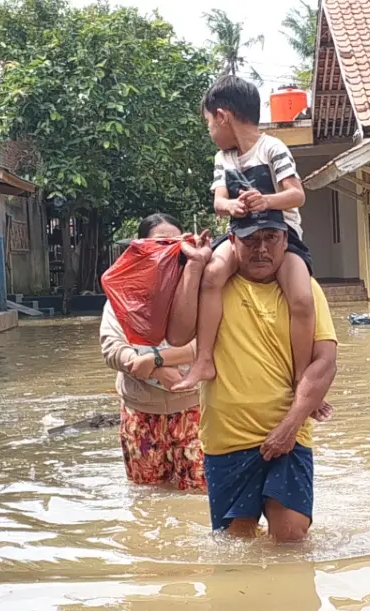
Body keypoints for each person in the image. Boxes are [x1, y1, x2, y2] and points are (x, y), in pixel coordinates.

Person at [166, 219, 338, 542]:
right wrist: (194, 266)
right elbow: (176, 336)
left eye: (271, 238)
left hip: (289, 435)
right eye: (250, 239)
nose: (261, 249)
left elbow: (326, 362)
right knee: (235, 544)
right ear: (231, 240)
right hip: (226, 440)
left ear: (285, 241)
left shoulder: (306, 291)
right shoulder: (211, 287)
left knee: (291, 535)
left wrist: (290, 427)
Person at [174, 76, 315, 394]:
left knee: (303, 301)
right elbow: (218, 202)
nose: (210, 131)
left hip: (283, 237)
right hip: (240, 236)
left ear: (222, 116)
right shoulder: (223, 159)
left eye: (209, 123)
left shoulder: (272, 148)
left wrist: (267, 201)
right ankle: (205, 359)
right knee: (212, 275)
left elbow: (296, 196)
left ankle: (301, 373)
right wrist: (233, 206)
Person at [100, 214, 213, 491]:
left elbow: (213, 343)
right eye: (158, 244)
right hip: (140, 412)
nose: (165, 252)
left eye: (173, 244)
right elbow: (111, 346)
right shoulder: (122, 293)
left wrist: (157, 358)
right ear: (141, 250)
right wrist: (149, 366)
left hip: (194, 409)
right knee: (147, 498)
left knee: (200, 494)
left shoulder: (202, 288)